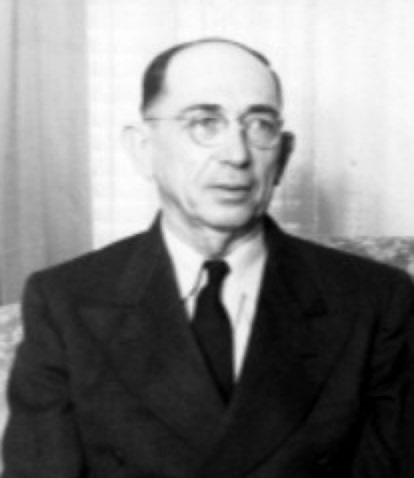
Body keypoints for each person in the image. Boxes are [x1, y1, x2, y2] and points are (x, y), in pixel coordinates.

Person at [2, 37, 414, 478]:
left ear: (283, 155)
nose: (237, 155)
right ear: (143, 149)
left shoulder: (374, 300)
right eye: (204, 122)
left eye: (259, 125)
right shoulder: (65, 301)